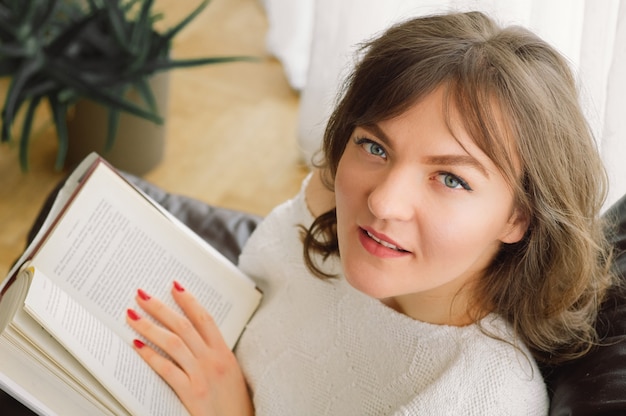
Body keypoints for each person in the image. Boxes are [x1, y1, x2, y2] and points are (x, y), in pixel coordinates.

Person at [125, 11, 615, 415]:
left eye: (451, 179)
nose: (382, 202)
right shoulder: (333, 200)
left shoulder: (477, 400)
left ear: (520, 218)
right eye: (376, 146)